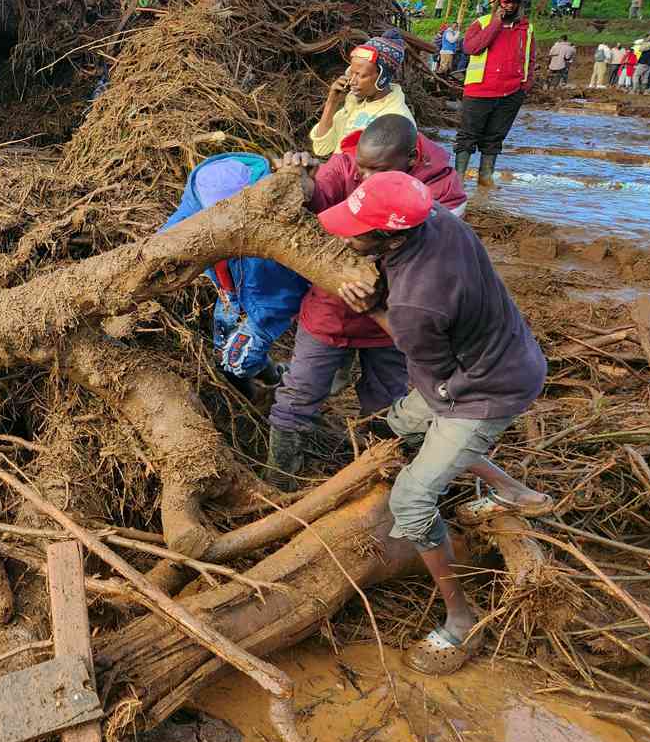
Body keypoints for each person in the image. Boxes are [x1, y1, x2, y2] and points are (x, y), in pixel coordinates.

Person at [320, 170, 552, 675]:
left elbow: (429, 367)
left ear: (390, 235)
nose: (344, 234)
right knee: (404, 427)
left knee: (411, 497)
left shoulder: (415, 305)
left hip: (484, 388)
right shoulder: (440, 219)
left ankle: (460, 619)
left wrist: (373, 305)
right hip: (506, 352)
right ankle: (517, 493)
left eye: (356, 229)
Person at [266, 114, 467, 488]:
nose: (365, 178)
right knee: (300, 392)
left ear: (409, 160)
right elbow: (315, 203)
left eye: (378, 170)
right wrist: (299, 180)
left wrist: (380, 291)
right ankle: (279, 481)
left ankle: (375, 476)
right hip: (331, 307)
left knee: (386, 402)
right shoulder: (346, 165)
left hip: (394, 320)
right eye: (363, 168)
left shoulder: (441, 190)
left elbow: (437, 263)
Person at [162, 155, 309, 401]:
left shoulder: (268, 228)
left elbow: (284, 290)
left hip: (265, 303)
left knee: (238, 361)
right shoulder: (202, 191)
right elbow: (169, 234)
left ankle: (282, 383)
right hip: (229, 292)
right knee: (222, 347)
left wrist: (259, 324)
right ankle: (262, 381)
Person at [455, 0, 533, 188]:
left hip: (511, 92)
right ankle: (458, 180)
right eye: (506, 2)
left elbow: (529, 58)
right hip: (480, 90)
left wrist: (525, 86)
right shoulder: (482, 23)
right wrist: (496, 24)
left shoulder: (526, 28)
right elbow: (471, 48)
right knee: (467, 136)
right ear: (497, 2)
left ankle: (485, 178)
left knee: (495, 137)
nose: (510, 6)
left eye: (515, 2)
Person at [309, 31, 414, 156]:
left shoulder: (396, 119)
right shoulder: (353, 104)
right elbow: (322, 148)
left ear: (383, 78)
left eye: (361, 75)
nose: (352, 81)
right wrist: (332, 102)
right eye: (351, 73)